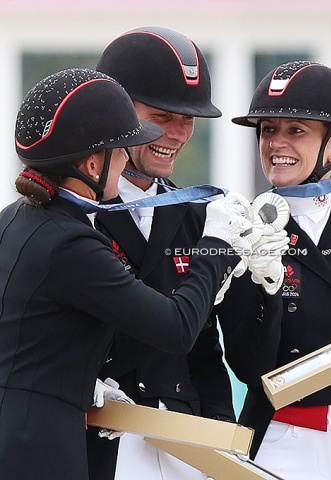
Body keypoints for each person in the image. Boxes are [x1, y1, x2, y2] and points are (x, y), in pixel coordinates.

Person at [0, 67, 264, 480]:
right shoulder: (72, 242)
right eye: (122, 150)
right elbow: (176, 329)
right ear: (91, 163)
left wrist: (76, 378)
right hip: (42, 441)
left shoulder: (14, 219)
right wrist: (216, 245)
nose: (126, 160)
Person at [87, 26, 288, 480]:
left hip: (183, 446)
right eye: (162, 115)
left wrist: (264, 283)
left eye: (188, 118)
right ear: (116, 112)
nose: (178, 134)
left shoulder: (198, 216)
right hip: (98, 441)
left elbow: (207, 351)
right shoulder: (77, 214)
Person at [219, 60, 331, 480]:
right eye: (269, 130)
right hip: (281, 439)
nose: (276, 143)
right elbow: (245, 364)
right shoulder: (241, 231)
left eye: (296, 130)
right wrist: (265, 288)